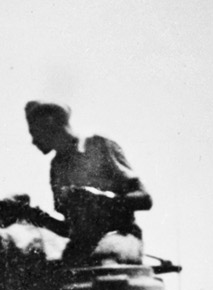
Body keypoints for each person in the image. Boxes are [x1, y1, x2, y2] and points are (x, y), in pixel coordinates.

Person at [21, 100, 152, 264]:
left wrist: (99, 200)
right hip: (83, 245)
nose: (33, 141)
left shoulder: (98, 145)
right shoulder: (57, 167)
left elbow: (145, 199)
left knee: (102, 261)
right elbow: (70, 229)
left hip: (119, 236)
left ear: (49, 122)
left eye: (34, 132)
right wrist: (37, 218)